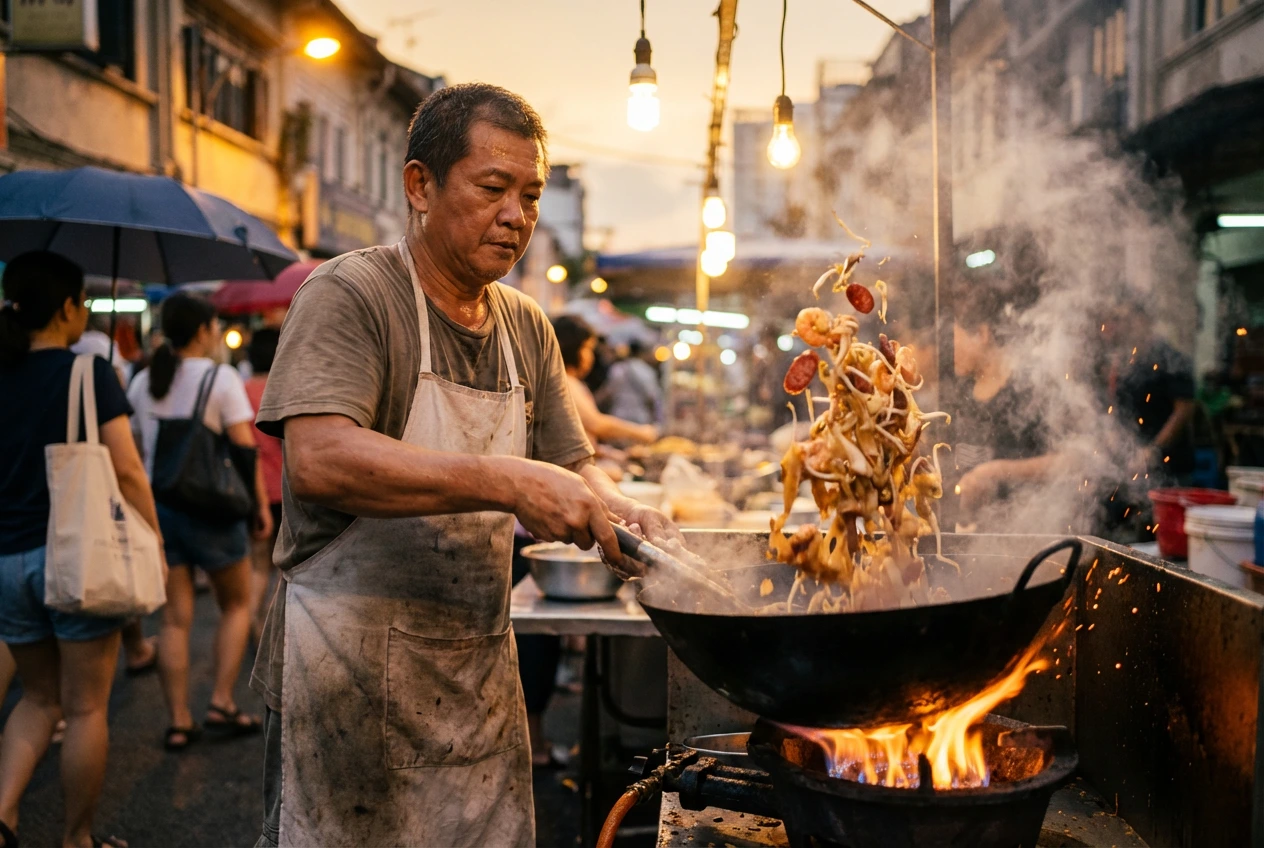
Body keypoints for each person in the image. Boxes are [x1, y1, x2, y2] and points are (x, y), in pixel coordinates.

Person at [248, 83, 678, 848]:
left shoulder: (525, 325)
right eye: (493, 189)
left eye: (531, 195)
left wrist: (621, 510)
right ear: (421, 185)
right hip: (348, 675)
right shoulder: (352, 293)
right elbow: (319, 460)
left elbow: (575, 462)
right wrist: (507, 480)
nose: (517, 216)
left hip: (475, 675)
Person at [0, 251, 164, 848]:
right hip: (77, 559)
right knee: (87, 709)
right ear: (68, 307)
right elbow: (127, 470)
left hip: (8, 560)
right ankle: (77, 839)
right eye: (84, 303)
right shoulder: (87, 374)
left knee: (38, 699)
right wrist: (154, 538)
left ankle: (3, 817)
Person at [127, 293, 273, 751]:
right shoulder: (220, 378)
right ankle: (221, 702)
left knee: (173, 620)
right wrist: (259, 506)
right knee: (234, 605)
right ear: (203, 331)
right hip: (213, 510)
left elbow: (133, 447)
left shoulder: (144, 379)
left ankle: (177, 720)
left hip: (161, 510)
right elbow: (243, 448)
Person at [948, 285, 1059, 531]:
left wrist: (999, 471)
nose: (949, 350)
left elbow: (1071, 459)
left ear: (982, 334)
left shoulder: (1029, 385)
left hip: (1024, 532)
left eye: (954, 339)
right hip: (972, 534)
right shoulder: (960, 389)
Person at [553, 315, 658, 448]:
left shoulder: (571, 382)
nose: (591, 356)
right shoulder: (564, 383)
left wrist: (616, 456)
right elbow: (595, 423)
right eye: (587, 348)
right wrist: (641, 432)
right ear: (572, 347)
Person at [243, 329, 283, 642]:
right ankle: (269, 631)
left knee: (257, 566)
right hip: (282, 490)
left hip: (250, 491)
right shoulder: (280, 389)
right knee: (282, 567)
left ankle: (250, 627)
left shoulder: (240, 390)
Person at [605, 340, 663, 426]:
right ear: (642, 353)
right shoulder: (646, 371)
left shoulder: (618, 368)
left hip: (618, 418)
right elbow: (652, 397)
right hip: (640, 420)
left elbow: (609, 393)